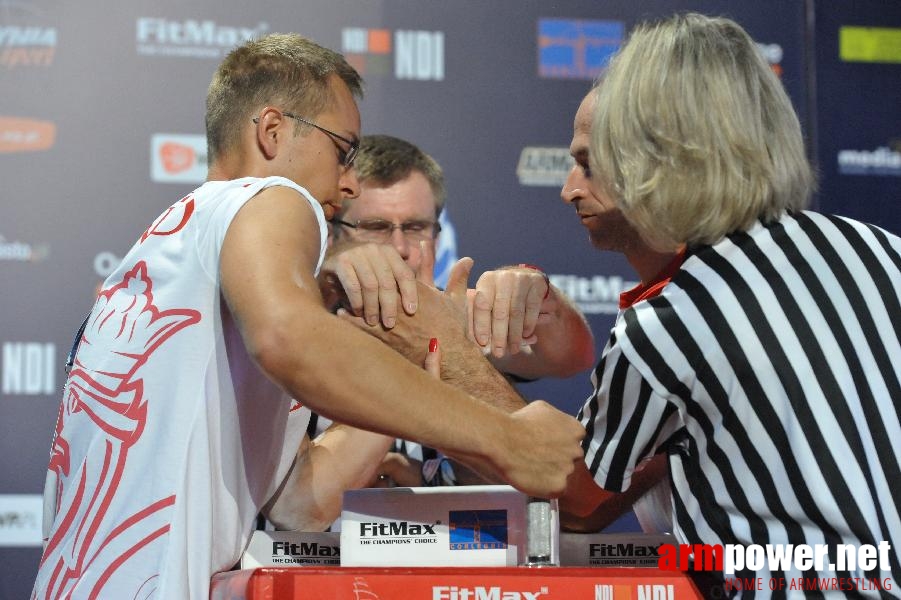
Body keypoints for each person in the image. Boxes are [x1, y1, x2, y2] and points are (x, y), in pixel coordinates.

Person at [32, 33, 584, 599]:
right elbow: (290, 337)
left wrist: (413, 359)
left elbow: (301, 501)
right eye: (343, 150)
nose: (347, 184)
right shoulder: (267, 194)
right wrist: (504, 438)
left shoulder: (174, 245)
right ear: (273, 132)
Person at [564, 12, 901, 593]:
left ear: (657, 153)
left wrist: (454, 362)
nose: (574, 186)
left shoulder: (671, 319)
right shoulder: (888, 254)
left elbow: (579, 498)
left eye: (602, 157)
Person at [313, 134, 595, 487]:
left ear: (437, 234)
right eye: (376, 228)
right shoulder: (303, 322)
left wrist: (535, 293)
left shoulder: (455, 316)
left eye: (416, 227)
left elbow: (572, 356)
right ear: (335, 234)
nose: (400, 247)